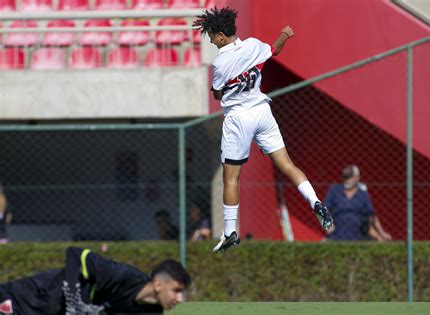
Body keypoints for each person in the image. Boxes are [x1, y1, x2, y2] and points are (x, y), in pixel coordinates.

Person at [193, 7, 334, 253]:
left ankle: (229, 232)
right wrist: (284, 34)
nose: (212, 40)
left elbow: (217, 94)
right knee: (288, 165)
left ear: (222, 36)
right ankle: (315, 201)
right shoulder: (254, 45)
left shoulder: (221, 62)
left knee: (231, 178)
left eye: (212, 36)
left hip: (238, 118)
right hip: (262, 112)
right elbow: (275, 49)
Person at [0, 246, 191, 314]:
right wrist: (74, 302)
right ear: (158, 284)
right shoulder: (122, 276)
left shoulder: (151, 311)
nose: (180, 298)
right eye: (176, 290)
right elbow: (75, 254)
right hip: (31, 297)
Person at [324, 165, 392, 241]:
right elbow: (324, 210)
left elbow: (372, 215)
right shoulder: (334, 191)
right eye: (346, 177)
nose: (347, 180)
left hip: (358, 235)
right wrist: (328, 225)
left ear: (357, 178)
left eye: (350, 177)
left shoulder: (362, 194)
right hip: (337, 233)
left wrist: (382, 233)